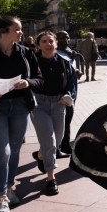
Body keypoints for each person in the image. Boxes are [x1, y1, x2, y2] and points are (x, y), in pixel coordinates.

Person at [0, 17, 43, 212]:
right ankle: (1, 196)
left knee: (14, 150)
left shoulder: (25, 53)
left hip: (21, 106)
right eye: (18, 29)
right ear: (4, 31)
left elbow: (39, 79)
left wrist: (28, 83)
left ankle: (10, 187)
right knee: (2, 151)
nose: (21, 33)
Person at [30, 32, 76, 195]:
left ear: (56, 44)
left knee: (55, 142)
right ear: (38, 44)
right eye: (44, 41)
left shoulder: (64, 62)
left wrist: (69, 97)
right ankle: (51, 178)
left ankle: (41, 155)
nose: (48, 44)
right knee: (49, 141)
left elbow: (71, 83)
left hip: (59, 104)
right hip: (39, 104)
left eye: (51, 41)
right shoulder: (31, 61)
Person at [56, 31, 84, 156]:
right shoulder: (56, 53)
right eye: (62, 37)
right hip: (62, 92)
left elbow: (69, 69)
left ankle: (65, 145)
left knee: (67, 118)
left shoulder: (69, 52)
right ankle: (57, 147)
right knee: (61, 120)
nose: (65, 39)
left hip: (71, 90)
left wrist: (76, 71)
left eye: (67, 37)